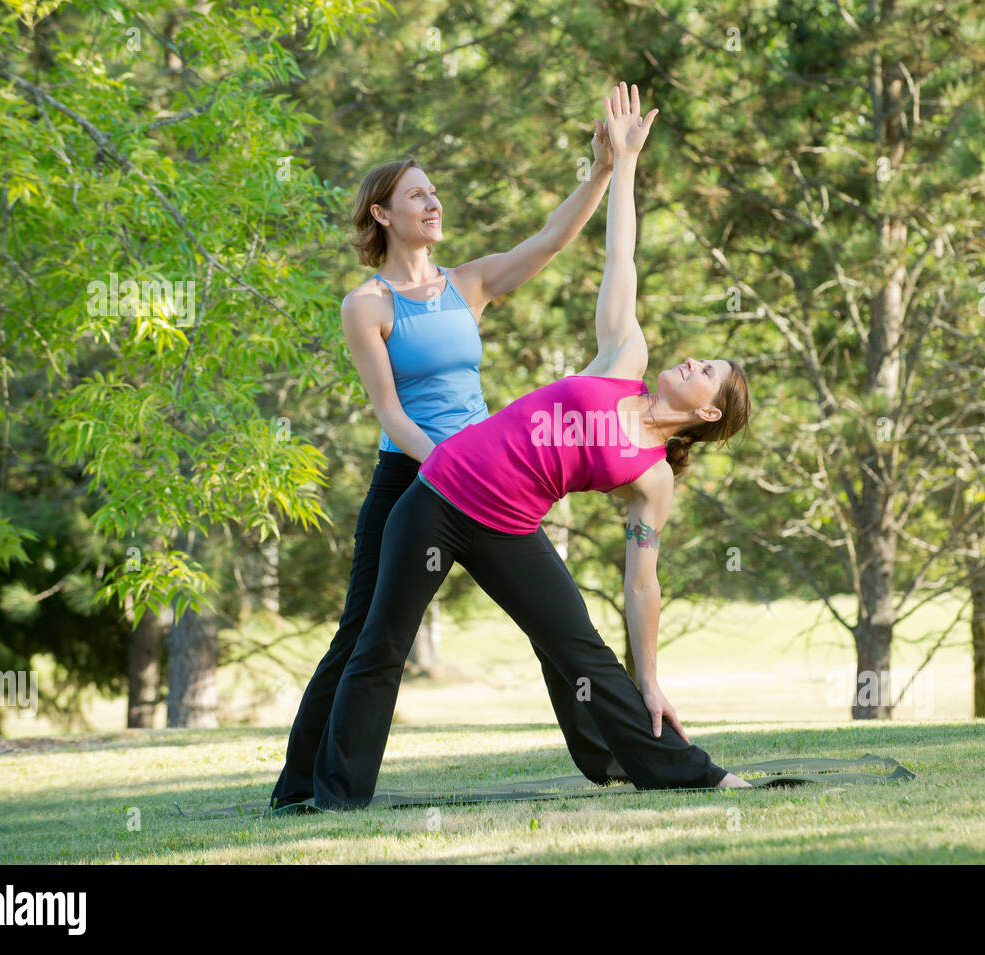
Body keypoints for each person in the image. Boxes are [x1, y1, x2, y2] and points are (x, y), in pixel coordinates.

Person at [311, 82, 753, 809]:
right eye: (702, 356)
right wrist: (622, 163)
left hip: (509, 522)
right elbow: (622, 253)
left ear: (707, 412)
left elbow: (643, 583)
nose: (693, 361)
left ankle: (681, 768)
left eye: (708, 372)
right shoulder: (624, 359)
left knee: (579, 648)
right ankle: (332, 797)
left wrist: (651, 675)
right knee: (378, 645)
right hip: (440, 491)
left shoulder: (653, 479)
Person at [270, 108, 625, 811]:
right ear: (383, 213)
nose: (433, 205)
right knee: (365, 638)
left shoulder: (467, 284)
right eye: (416, 197)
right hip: (413, 476)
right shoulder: (366, 304)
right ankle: (305, 788)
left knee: (558, 621)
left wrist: (606, 168)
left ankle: (609, 757)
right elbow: (391, 413)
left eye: (434, 194)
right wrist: (450, 464)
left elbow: (551, 242)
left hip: (489, 479)